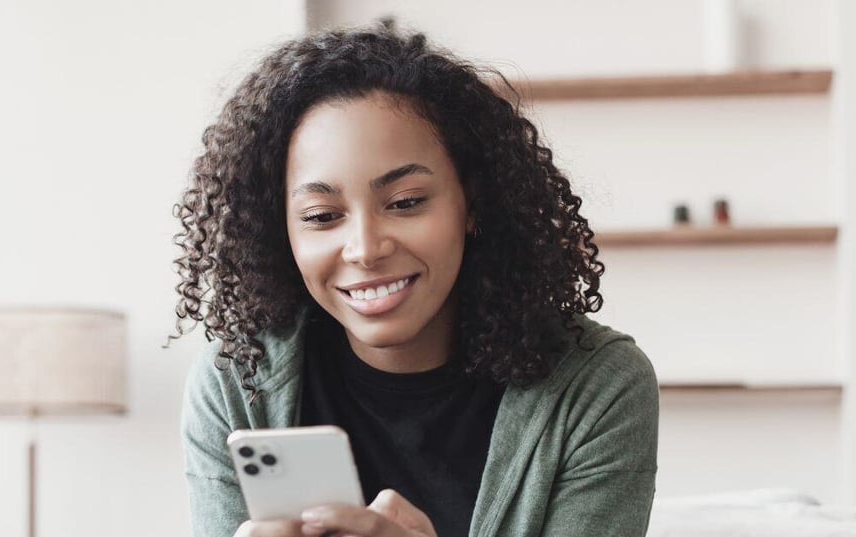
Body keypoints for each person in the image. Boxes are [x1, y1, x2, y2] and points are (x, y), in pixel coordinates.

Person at [169, 21, 658, 537]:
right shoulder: (238, 382)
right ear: (278, 230)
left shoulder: (594, 388)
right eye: (320, 215)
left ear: (471, 202)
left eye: (405, 203)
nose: (365, 249)